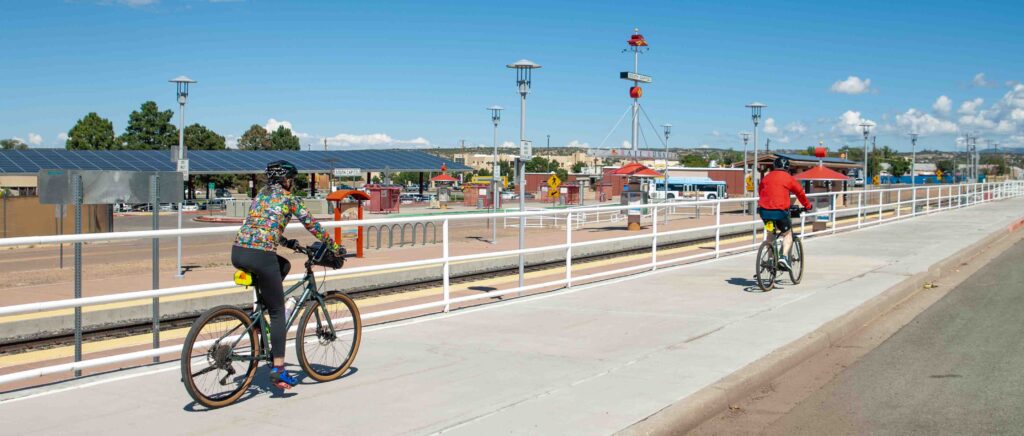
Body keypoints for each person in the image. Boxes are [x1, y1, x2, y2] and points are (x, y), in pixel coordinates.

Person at [232, 160, 342, 389]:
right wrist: (332, 245)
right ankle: (279, 369)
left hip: (238, 252)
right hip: (261, 255)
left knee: (283, 266)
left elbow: (262, 225)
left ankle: (260, 315)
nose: (292, 183)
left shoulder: (260, 196)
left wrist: (285, 242)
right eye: (291, 179)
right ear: (285, 180)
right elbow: (312, 225)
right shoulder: (289, 199)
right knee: (278, 311)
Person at [757, 156, 812, 271]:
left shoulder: (766, 177)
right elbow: (800, 193)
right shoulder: (788, 178)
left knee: (771, 233)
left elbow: (760, 191)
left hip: (765, 213)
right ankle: (783, 257)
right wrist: (807, 206)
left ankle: (771, 260)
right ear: (787, 168)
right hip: (780, 212)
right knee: (787, 234)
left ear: (775, 166)